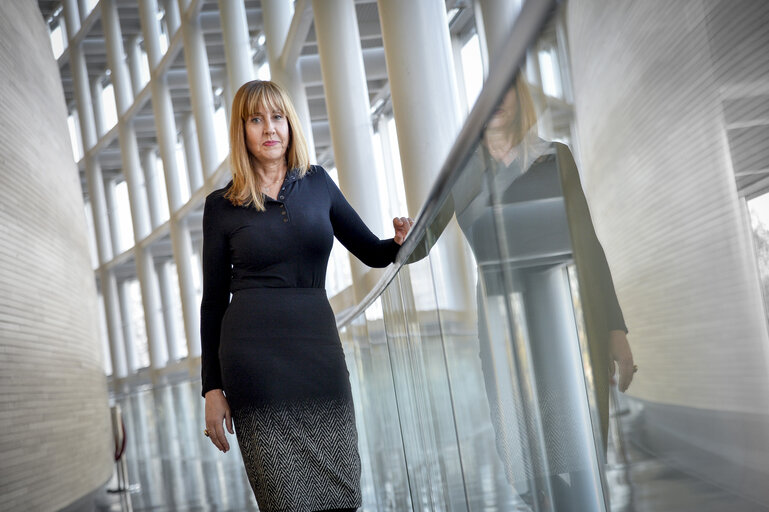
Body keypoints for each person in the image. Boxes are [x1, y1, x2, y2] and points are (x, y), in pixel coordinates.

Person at [417, 72, 635, 510]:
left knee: (584, 454)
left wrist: (614, 329)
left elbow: (587, 243)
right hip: (503, 324)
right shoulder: (462, 174)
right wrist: (404, 234)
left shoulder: (555, 158)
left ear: (522, 97)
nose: (497, 101)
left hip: (568, 317)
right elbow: (422, 241)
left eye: (506, 90)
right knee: (523, 461)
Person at [199, 80, 413, 512]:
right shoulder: (221, 206)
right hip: (255, 367)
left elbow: (372, 252)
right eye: (255, 120)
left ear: (290, 124)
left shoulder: (318, 183)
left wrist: (398, 242)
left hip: (319, 356)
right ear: (242, 132)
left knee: (341, 493)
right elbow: (213, 301)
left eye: (277, 117)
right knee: (285, 500)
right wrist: (212, 389)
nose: (269, 129)